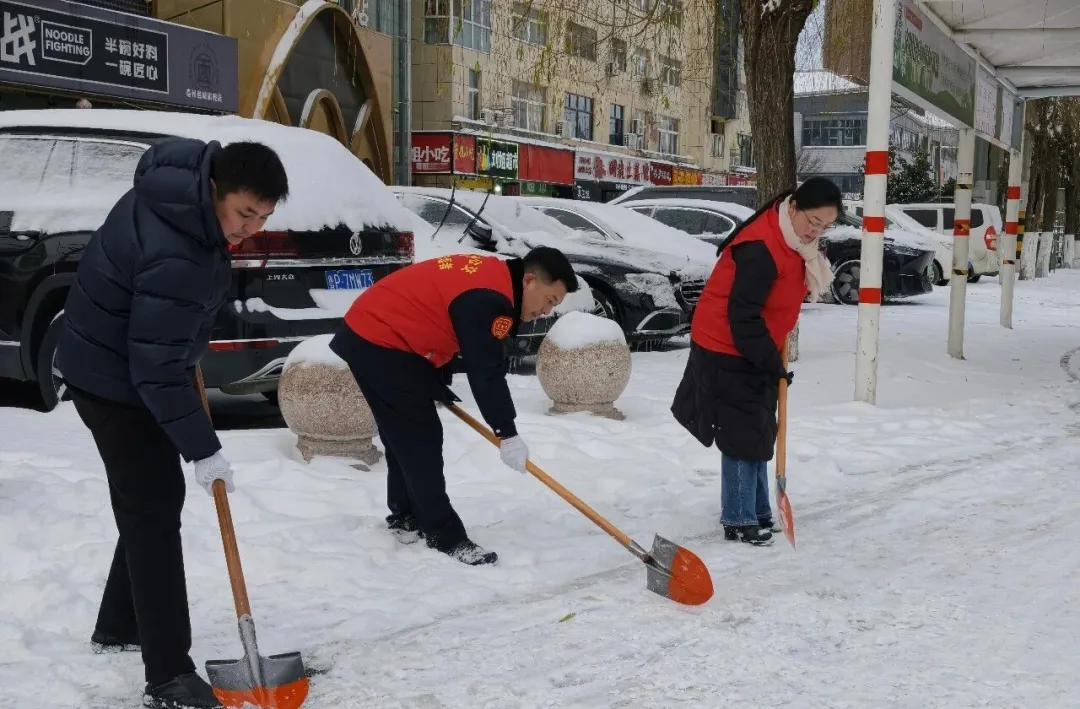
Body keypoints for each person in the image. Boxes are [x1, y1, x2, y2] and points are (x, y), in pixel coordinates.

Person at [56, 138, 290, 709]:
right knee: (154, 513)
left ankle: (120, 623)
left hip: (110, 362)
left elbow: (160, 333)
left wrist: (184, 351)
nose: (250, 229)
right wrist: (203, 448)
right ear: (213, 188)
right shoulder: (178, 249)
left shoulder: (175, 201)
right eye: (244, 213)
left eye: (263, 218)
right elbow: (154, 367)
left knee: (149, 503)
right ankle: (167, 676)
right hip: (115, 383)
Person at [330, 247, 578, 566]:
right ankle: (444, 535)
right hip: (382, 340)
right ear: (529, 281)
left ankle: (406, 516)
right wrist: (507, 432)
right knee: (421, 440)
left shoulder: (494, 277)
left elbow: (442, 317)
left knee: (404, 436)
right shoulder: (490, 299)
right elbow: (485, 371)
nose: (546, 311)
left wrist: (434, 379)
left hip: (372, 332)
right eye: (550, 300)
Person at [670, 177, 842, 546]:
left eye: (826, 226)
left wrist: (771, 355)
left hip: (755, 343)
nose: (816, 232)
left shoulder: (795, 243)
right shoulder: (761, 248)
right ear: (793, 208)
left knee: (758, 426)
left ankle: (759, 508)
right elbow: (742, 317)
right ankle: (738, 517)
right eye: (813, 221)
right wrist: (770, 363)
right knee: (739, 432)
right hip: (726, 344)